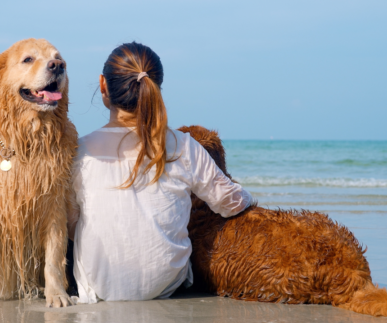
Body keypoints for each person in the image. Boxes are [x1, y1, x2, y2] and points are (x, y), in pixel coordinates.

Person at [67, 42, 253, 304]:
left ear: (103, 85)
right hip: (166, 284)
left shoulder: (80, 151)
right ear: (156, 88)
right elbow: (231, 203)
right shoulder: (183, 145)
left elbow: (72, 227)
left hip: (98, 288)